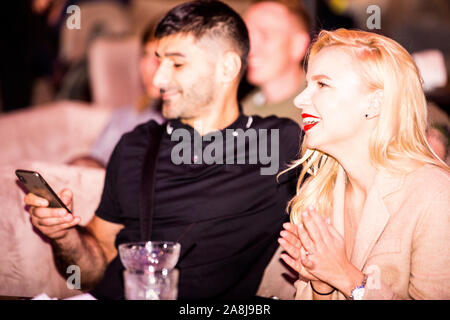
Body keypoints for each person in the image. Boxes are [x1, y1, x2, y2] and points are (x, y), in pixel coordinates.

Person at [24, 0, 302, 300]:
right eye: (158, 61)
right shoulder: (136, 145)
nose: (158, 80)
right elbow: (90, 270)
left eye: (177, 63)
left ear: (227, 68)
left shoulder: (277, 144)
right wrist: (64, 236)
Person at [276, 29, 450, 299]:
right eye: (307, 84)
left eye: (322, 85)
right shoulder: (319, 194)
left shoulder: (435, 195)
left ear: (375, 102)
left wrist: (346, 278)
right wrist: (321, 285)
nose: (300, 100)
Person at [68, 20, 165, 169]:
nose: (147, 67)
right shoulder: (124, 117)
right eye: (145, 54)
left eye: (159, 57)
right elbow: (91, 163)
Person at [241, 0, 310, 125]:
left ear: (298, 45)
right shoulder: (244, 111)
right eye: (247, 36)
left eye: (265, 35)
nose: (251, 48)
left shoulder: (317, 111)